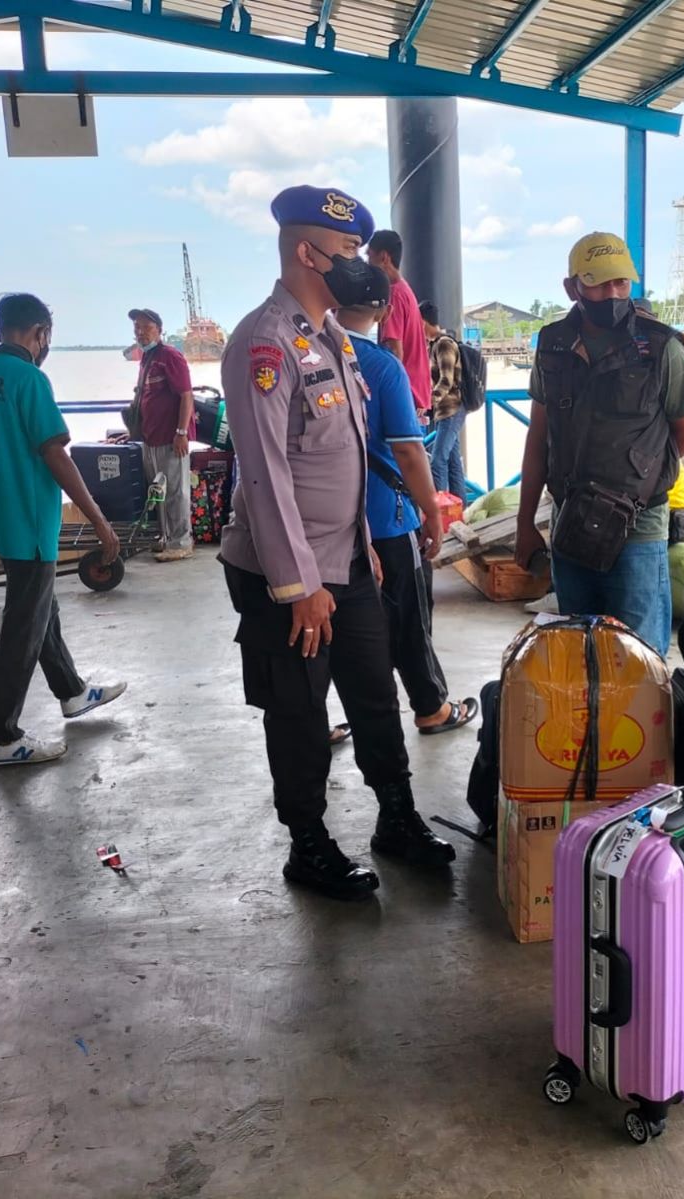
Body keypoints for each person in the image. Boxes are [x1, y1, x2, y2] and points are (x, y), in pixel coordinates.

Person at [220, 184, 455, 902]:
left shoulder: (335, 343)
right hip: (282, 575)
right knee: (299, 712)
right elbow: (264, 475)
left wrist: (365, 541)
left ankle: (396, 816)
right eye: (349, 252)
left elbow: (345, 453)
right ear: (305, 251)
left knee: (374, 694)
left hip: (350, 558)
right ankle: (308, 844)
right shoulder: (264, 343)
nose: (361, 266)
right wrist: (300, 585)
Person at [0, 293, 127, 766]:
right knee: (22, 627)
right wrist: (99, 519)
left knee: (38, 608)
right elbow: (55, 454)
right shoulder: (31, 379)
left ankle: (72, 692)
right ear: (41, 334)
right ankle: (1, 736)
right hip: (30, 517)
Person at [513, 232, 684, 657]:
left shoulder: (661, 346)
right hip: (570, 524)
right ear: (572, 287)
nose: (613, 294)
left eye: (621, 283)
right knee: (578, 654)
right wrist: (525, 523)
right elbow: (539, 436)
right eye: (599, 284)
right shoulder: (553, 344)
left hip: (637, 529)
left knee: (637, 659)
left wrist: (637, 474)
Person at [340, 263, 479, 737]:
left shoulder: (310, 358)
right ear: (381, 310)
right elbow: (408, 450)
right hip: (386, 517)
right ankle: (431, 708)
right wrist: (432, 514)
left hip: (330, 526)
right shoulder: (380, 366)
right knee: (408, 623)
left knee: (342, 629)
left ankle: (342, 718)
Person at [128, 307, 197, 562]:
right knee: (159, 492)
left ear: (159, 329)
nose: (141, 332)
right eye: (137, 328)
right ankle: (167, 537)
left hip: (171, 437)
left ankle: (181, 541)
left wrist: (181, 432)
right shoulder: (147, 358)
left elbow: (186, 395)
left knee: (176, 492)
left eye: (146, 327)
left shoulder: (170, 356)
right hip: (150, 436)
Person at [367, 230, 431, 417]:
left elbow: (395, 351)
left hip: (404, 392)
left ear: (384, 257)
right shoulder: (405, 290)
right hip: (416, 390)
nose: (367, 264)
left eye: (369, 256)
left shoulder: (393, 294)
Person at [420, 300, 465, 498]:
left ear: (423, 322)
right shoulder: (435, 344)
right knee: (454, 463)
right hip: (446, 411)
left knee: (437, 461)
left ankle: (439, 513)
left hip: (452, 410)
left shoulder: (444, 344)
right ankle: (458, 512)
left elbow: (447, 380)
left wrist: (427, 402)